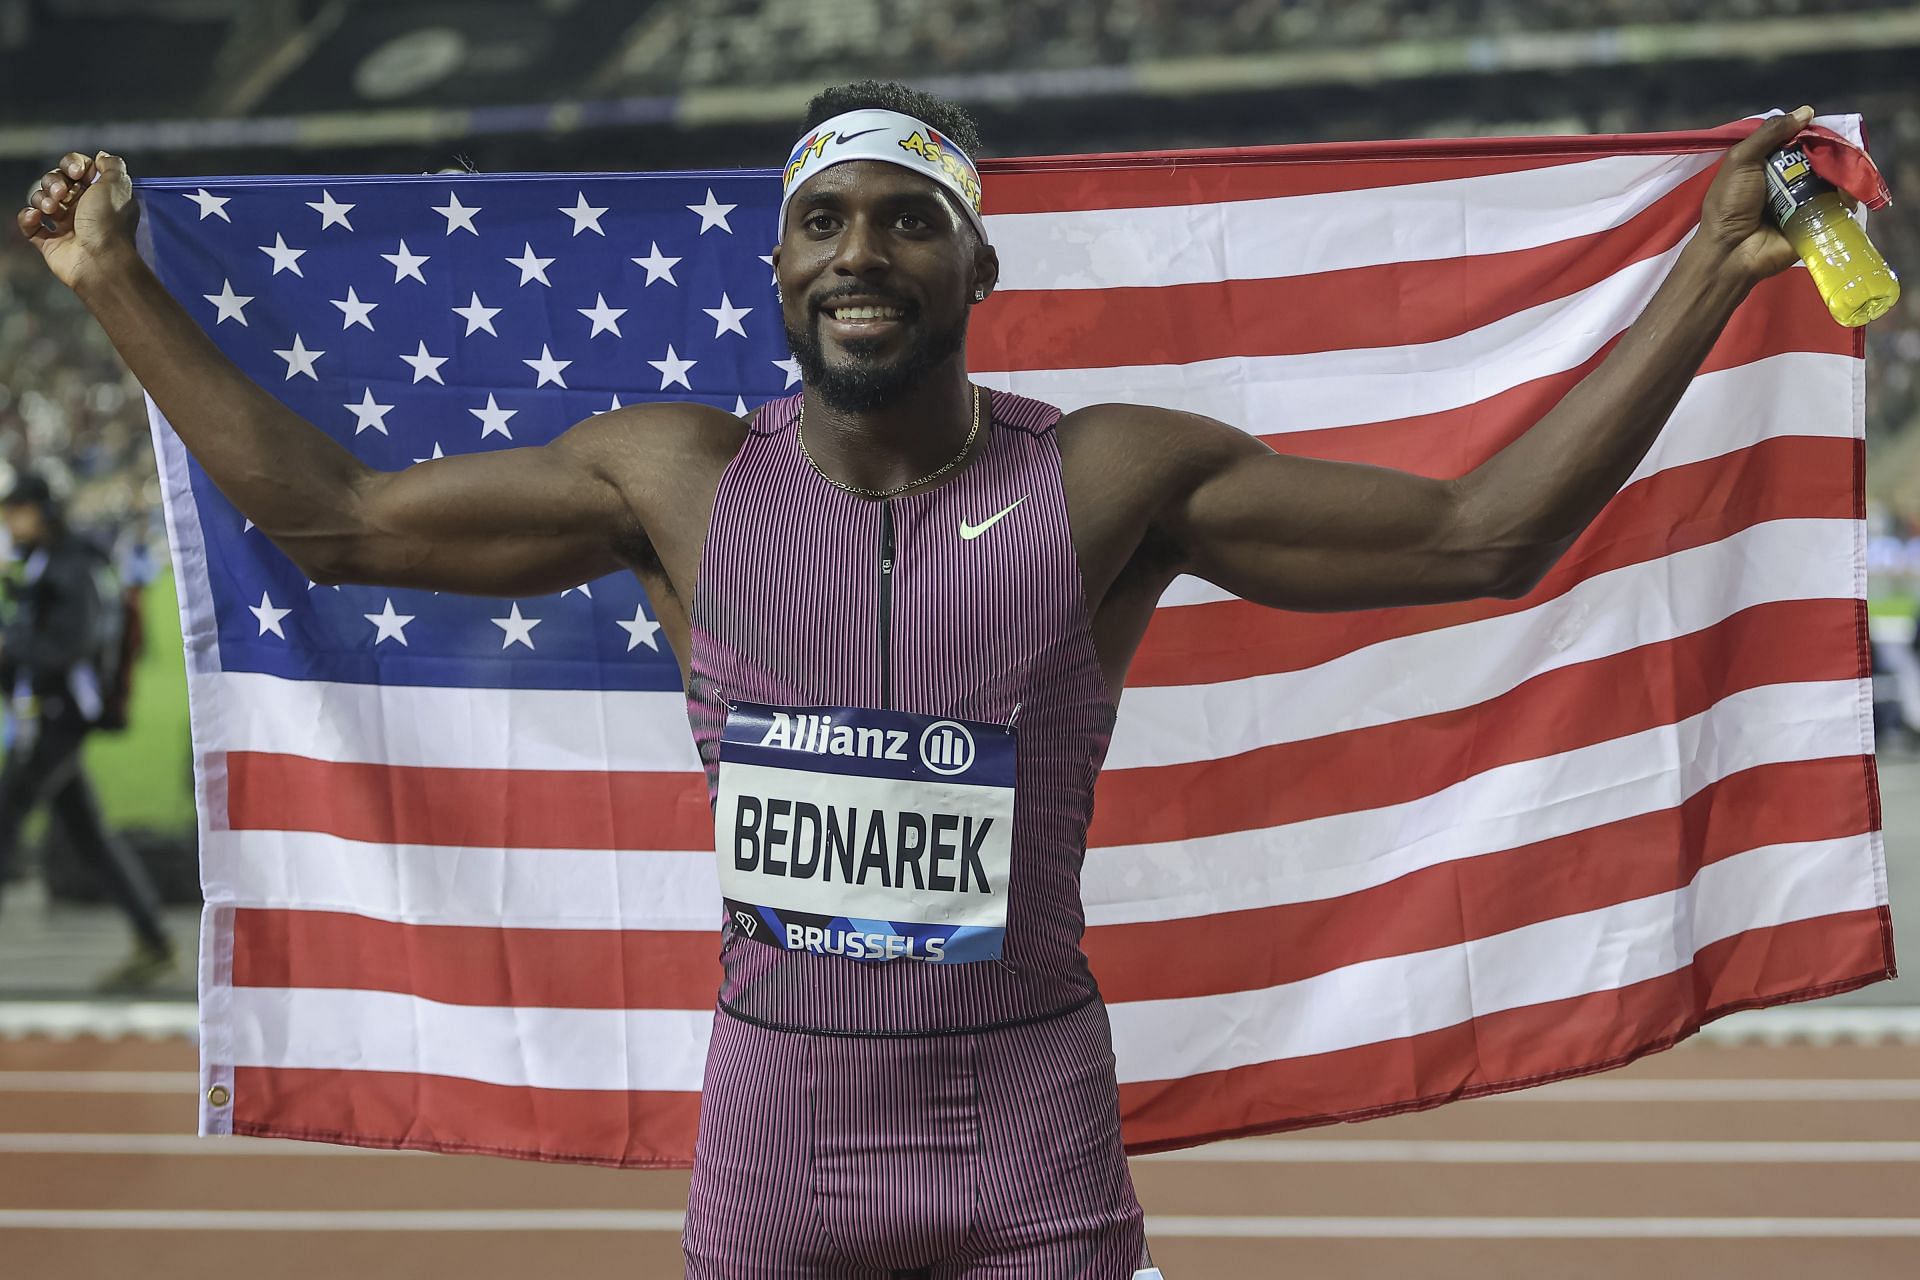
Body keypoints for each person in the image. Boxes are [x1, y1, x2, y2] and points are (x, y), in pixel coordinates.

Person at [17, 79, 1814, 1278]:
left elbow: (1479, 538)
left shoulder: (1108, 477)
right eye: (826, 223)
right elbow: (334, 523)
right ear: (781, 265)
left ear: (979, 259)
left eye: (905, 219)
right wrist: (111, 285)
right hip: (776, 1142)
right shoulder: (678, 481)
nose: (860, 252)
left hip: (1026, 1135)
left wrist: (1719, 266)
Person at [0, 471, 174, 991]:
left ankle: (154, 940)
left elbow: (69, 645)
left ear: (42, 511)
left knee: (4, 818)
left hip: (60, 719)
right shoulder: (48, 561)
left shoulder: (70, 565)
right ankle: (154, 941)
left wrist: (10, 651)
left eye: (17, 511)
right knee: (88, 835)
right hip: (49, 718)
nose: (10, 521)